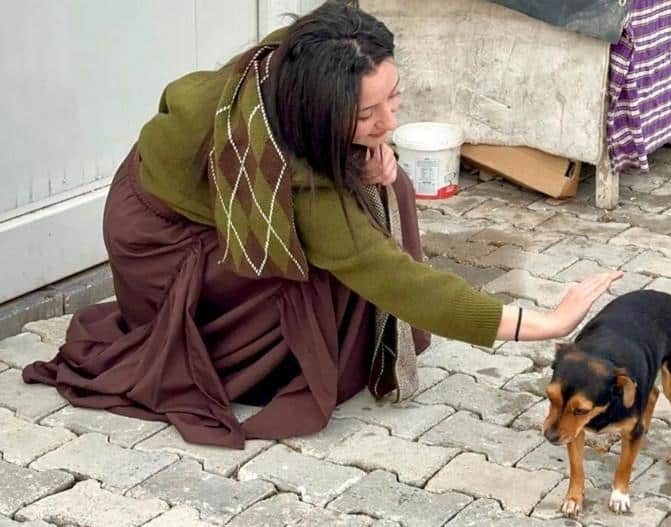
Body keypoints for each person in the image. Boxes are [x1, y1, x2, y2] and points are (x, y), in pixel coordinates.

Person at [22, 1, 621, 448]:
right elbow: (394, 278)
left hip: (216, 190)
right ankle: (258, 361)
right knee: (321, 267)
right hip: (158, 237)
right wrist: (540, 322)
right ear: (319, 114)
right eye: (368, 113)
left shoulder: (296, 57)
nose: (390, 120)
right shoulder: (296, 180)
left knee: (391, 184)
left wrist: (361, 149)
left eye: (394, 98)